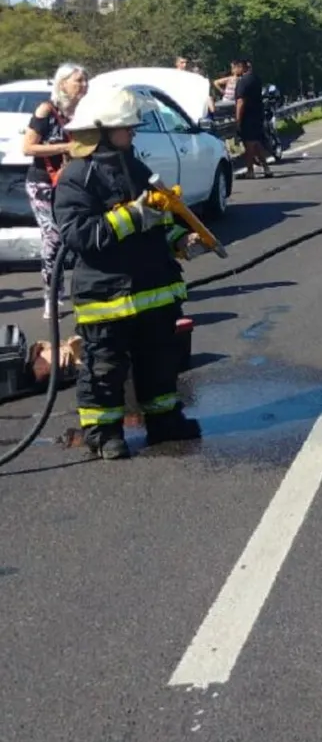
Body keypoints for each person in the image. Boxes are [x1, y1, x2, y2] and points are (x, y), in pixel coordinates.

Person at [53, 85, 206, 460]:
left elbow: (157, 220)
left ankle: (163, 422)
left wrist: (179, 240)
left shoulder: (135, 166)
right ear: (102, 130)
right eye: (127, 127)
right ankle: (104, 434)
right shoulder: (77, 177)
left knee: (160, 361)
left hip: (152, 290)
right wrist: (132, 216)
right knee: (104, 370)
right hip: (107, 299)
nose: (133, 132)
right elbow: (80, 236)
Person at [23, 63, 88, 318]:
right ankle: (51, 295)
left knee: (76, 235)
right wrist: (63, 149)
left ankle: (79, 290)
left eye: (85, 81)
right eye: (78, 81)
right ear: (63, 84)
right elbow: (28, 147)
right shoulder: (46, 110)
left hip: (71, 183)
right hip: (42, 182)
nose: (83, 85)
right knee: (53, 236)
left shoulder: (82, 114)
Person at [234, 57, 273, 178]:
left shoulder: (243, 81)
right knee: (256, 143)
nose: (233, 70)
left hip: (248, 116)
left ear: (241, 67)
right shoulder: (256, 79)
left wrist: (238, 120)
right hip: (258, 114)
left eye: (234, 67)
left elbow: (240, 101)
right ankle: (266, 168)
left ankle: (250, 171)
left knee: (249, 145)